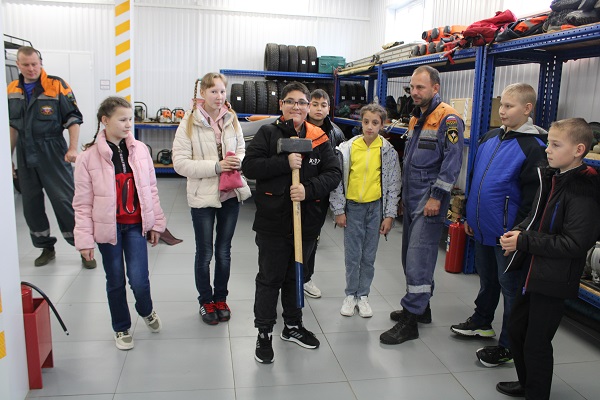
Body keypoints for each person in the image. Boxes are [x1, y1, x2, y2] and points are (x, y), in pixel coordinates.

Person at [496, 118, 600, 399]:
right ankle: (527, 383)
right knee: (517, 330)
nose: (547, 150)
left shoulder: (583, 189)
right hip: (534, 270)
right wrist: (518, 233)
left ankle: (536, 393)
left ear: (578, 150)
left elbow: (575, 243)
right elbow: (536, 219)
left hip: (554, 279)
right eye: (548, 143)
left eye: (555, 145)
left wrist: (524, 241)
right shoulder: (553, 177)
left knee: (537, 342)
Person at [242, 81, 341, 364]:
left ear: (308, 107)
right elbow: (250, 167)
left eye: (301, 102)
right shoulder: (267, 133)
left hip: (306, 223)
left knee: (296, 276)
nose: (296, 107)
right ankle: (264, 332)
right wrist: (283, 163)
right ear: (281, 105)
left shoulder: (319, 137)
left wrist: (308, 190)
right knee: (269, 278)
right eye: (290, 101)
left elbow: (334, 174)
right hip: (272, 222)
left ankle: (293, 325)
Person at [450, 83, 548, 367]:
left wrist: (519, 233)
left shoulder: (534, 146)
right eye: (501, 105)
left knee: (511, 289)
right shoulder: (490, 137)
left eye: (509, 106)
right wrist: (469, 216)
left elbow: (534, 199)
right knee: (488, 279)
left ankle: (509, 345)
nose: (502, 111)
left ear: (527, 108)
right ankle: (482, 321)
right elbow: (476, 179)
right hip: (482, 226)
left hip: (508, 234)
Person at [73, 97, 166, 350]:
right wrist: (84, 240)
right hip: (108, 229)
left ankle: (146, 310)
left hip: (135, 226)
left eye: (130, 119)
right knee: (115, 281)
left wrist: (156, 224)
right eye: (122, 119)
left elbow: (151, 190)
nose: (128, 124)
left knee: (139, 280)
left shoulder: (141, 150)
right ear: (105, 120)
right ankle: (121, 327)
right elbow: (82, 203)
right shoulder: (87, 158)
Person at [381, 65, 464, 345]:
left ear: (435, 88)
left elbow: (452, 163)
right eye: (412, 87)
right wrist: (403, 198)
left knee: (419, 258)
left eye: (420, 87)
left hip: (430, 197)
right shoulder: (417, 117)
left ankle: (410, 320)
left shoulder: (449, 119)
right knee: (409, 255)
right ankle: (422, 307)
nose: (414, 92)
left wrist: (436, 197)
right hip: (413, 195)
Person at [172, 73, 251, 325]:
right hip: (202, 198)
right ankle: (206, 301)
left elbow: (241, 148)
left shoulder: (231, 118)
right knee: (205, 252)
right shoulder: (189, 122)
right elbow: (180, 163)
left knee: (224, 251)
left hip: (230, 194)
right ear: (203, 93)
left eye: (222, 91)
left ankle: (221, 298)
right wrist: (216, 167)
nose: (219, 96)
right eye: (214, 91)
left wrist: (238, 160)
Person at [7, 46, 96, 268]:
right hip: (25, 152)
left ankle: (83, 248)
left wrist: (72, 148)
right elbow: (12, 127)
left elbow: (73, 119)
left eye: (34, 64)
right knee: (31, 204)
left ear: (40, 63)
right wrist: (7, 159)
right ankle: (45, 247)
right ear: (18, 65)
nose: (31, 68)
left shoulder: (56, 85)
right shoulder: (11, 90)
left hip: (53, 150)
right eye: (26, 64)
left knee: (65, 200)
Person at [330, 103, 401, 317]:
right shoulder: (347, 149)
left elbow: (393, 185)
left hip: (375, 209)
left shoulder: (388, 152)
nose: (370, 127)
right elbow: (337, 181)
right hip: (353, 208)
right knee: (353, 255)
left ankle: (363, 295)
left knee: (369, 256)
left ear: (382, 125)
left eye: (375, 123)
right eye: (366, 122)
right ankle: (350, 295)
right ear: (361, 122)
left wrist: (389, 215)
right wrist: (339, 209)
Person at [302, 88, 346, 299]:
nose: (319, 109)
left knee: (312, 239)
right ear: (307, 106)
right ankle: (288, 278)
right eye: (315, 104)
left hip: (320, 195)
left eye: (323, 105)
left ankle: (305, 278)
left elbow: (339, 169)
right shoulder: (298, 128)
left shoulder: (336, 134)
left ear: (329, 108)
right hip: (297, 193)